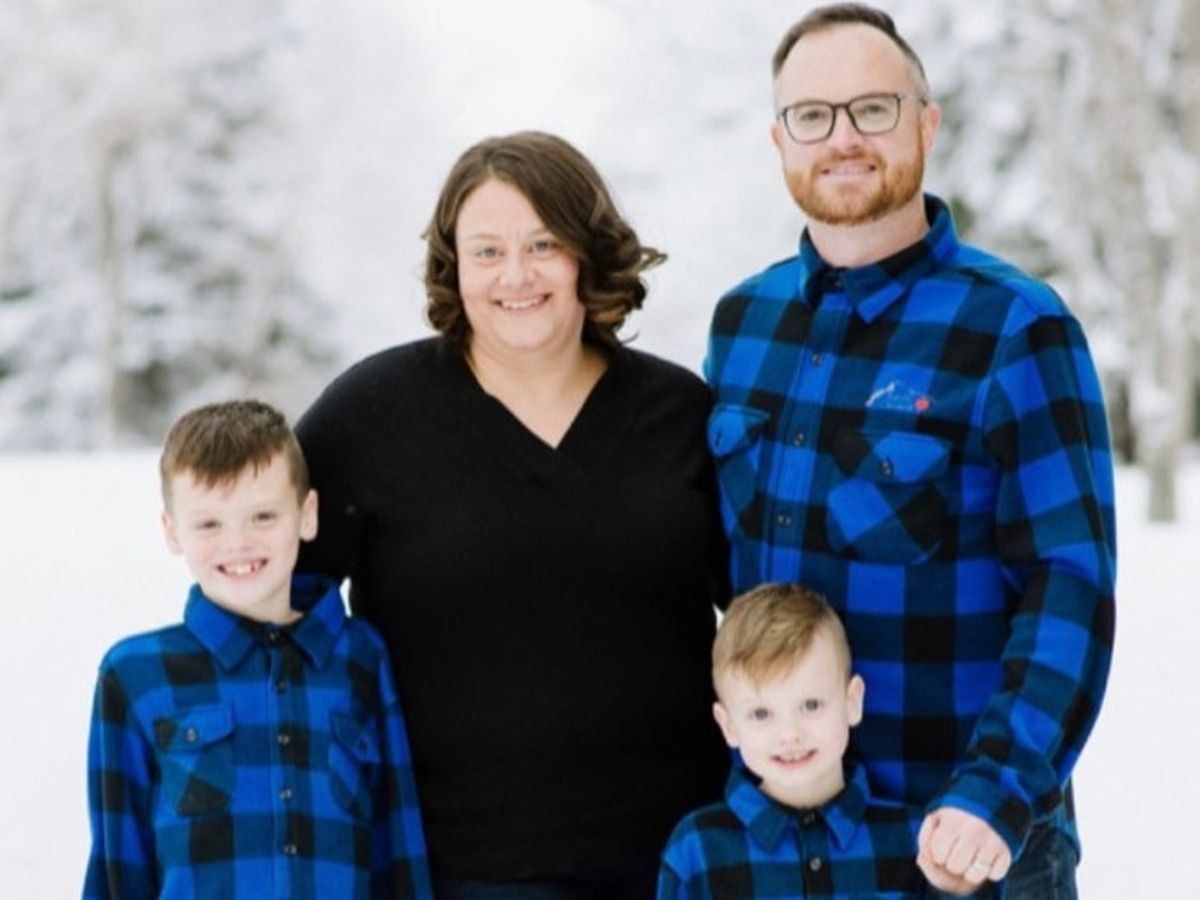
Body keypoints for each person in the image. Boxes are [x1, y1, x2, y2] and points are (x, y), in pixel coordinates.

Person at [705, 5, 1116, 897]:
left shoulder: (1015, 326)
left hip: (960, 849)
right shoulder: (744, 325)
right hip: (783, 849)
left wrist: (995, 793)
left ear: (926, 124)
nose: (842, 137)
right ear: (779, 140)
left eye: (873, 109)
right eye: (811, 115)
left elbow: (1069, 584)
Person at [295, 130, 730, 898]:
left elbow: (765, 617)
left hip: (681, 858)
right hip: (461, 867)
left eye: (543, 245)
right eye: (487, 252)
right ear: (454, 266)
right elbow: (273, 603)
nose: (516, 275)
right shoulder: (371, 416)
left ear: (587, 253)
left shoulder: (679, 413)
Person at [83, 400, 432, 899]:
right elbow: (118, 872)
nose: (238, 543)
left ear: (306, 515)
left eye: (263, 516)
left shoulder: (360, 658)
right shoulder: (135, 675)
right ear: (173, 531)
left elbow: (396, 852)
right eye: (209, 524)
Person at [658, 582, 929, 899]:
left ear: (852, 702)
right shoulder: (696, 851)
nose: (789, 735)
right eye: (761, 714)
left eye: (811, 705)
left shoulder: (913, 837)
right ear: (728, 725)